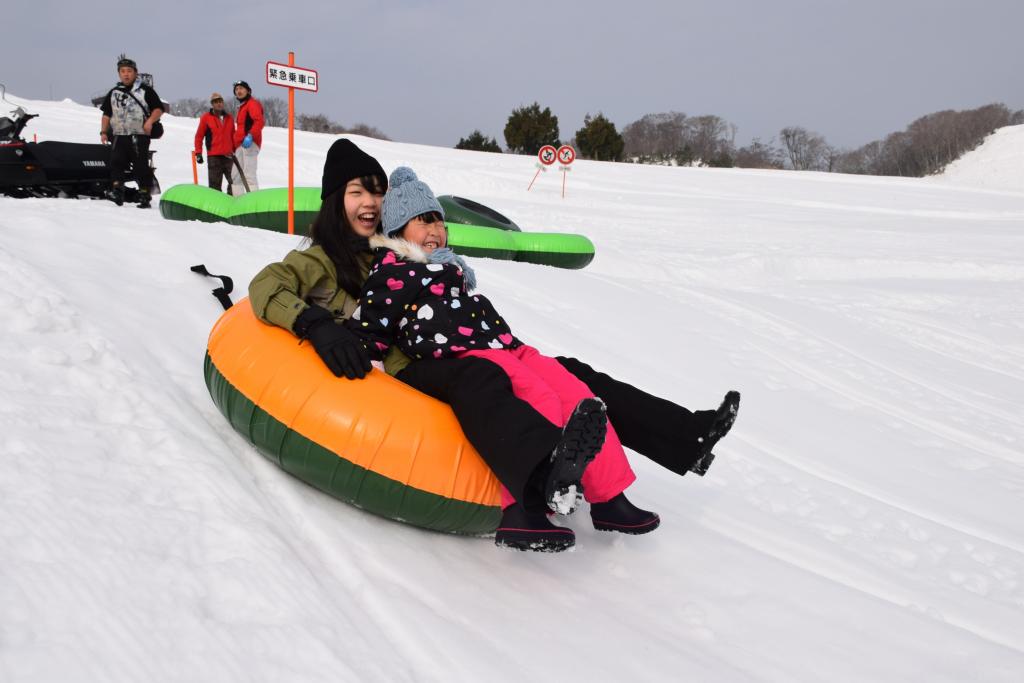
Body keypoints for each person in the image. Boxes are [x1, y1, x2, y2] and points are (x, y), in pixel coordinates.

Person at [248, 140, 740, 553]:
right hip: (418, 361)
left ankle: (684, 436)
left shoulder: (403, 244)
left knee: (570, 372)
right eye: (357, 192)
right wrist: (315, 323)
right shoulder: (325, 257)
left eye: (377, 192)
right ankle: (537, 484)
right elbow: (268, 286)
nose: (370, 203)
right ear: (336, 200)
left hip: (460, 343)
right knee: (489, 378)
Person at [99, 54, 163, 208]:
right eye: (122, 71)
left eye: (129, 71)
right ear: (119, 74)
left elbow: (158, 109)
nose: (126, 74)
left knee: (140, 165)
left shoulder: (145, 90)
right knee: (116, 163)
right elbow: (106, 113)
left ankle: (144, 194)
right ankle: (117, 191)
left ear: (135, 72)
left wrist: (149, 121)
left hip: (139, 135)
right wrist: (103, 131)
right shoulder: (114, 92)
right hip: (119, 134)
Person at [193, 93, 234, 193]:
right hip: (214, 157)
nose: (219, 104)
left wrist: (237, 150)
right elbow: (199, 136)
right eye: (216, 102)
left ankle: (231, 202)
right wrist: (198, 153)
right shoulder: (206, 118)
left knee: (234, 182)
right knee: (214, 186)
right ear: (212, 104)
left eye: (220, 101)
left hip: (229, 156)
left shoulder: (229, 118)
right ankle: (217, 207)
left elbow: (234, 136)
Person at [230, 80, 264, 195]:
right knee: (235, 175)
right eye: (236, 89)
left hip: (250, 143)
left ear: (248, 91)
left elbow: (259, 121)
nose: (238, 91)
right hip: (240, 145)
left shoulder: (252, 104)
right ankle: (238, 202)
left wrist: (250, 136)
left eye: (241, 88)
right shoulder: (242, 107)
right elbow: (239, 130)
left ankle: (253, 203)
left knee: (249, 174)